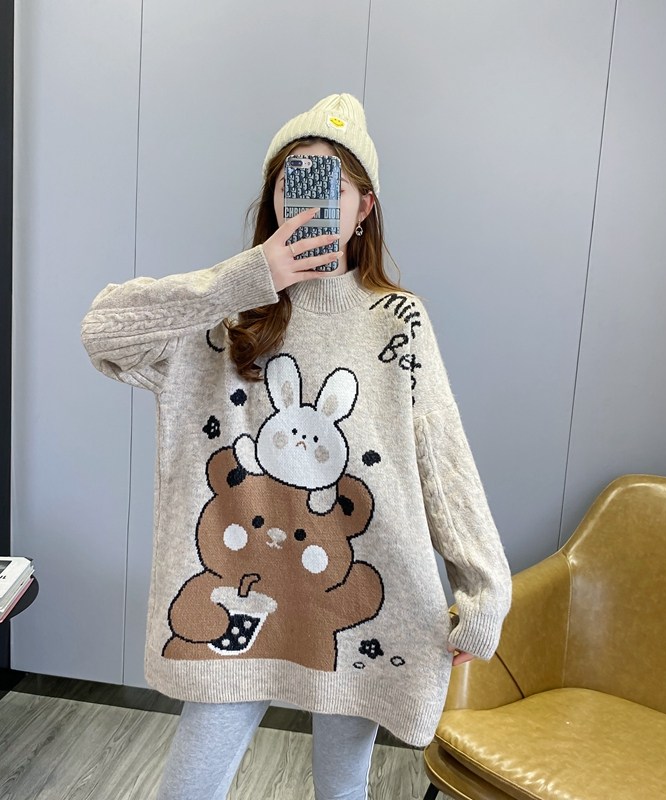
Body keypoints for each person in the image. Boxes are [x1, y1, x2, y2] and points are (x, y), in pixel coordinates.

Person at [80, 93, 512, 800]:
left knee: (341, 790)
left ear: (364, 207)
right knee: (188, 788)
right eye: (293, 182)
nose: (309, 202)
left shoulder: (396, 320)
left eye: (330, 187)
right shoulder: (223, 314)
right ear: (273, 198)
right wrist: (251, 276)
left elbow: (443, 457)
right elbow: (103, 332)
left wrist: (484, 588)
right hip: (238, 599)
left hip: (356, 604)